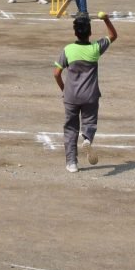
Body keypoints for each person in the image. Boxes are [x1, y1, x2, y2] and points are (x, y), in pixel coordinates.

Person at [54, 12, 117, 173]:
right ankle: (88, 139)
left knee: (70, 128)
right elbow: (113, 35)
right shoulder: (95, 48)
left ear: (75, 32)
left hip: (71, 96)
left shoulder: (68, 50)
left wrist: (64, 89)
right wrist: (106, 19)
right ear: (90, 33)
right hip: (90, 96)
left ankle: (71, 163)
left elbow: (56, 73)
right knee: (89, 122)